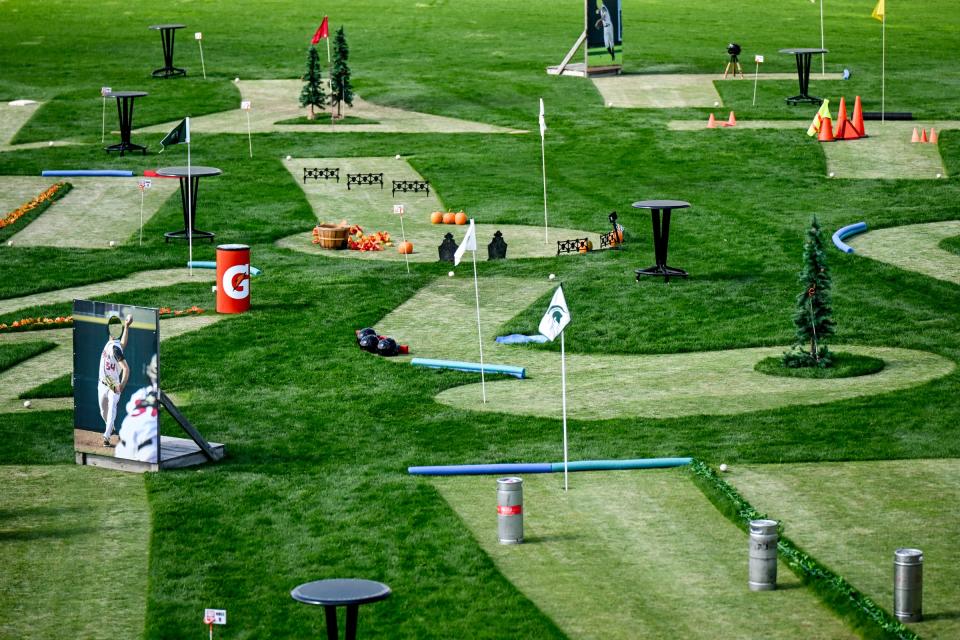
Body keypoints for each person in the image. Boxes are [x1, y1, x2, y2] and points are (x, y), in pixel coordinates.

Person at [115, 354, 159, 463]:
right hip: (149, 450)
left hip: (123, 449)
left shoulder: (140, 394)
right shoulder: (165, 398)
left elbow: (131, 410)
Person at [99, 314, 132, 447]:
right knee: (103, 412)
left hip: (114, 385)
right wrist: (127, 327)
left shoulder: (115, 349)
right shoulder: (112, 343)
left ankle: (106, 437)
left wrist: (122, 385)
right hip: (102, 383)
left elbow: (126, 369)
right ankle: (111, 428)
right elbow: (123, 343)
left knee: (112, 409)